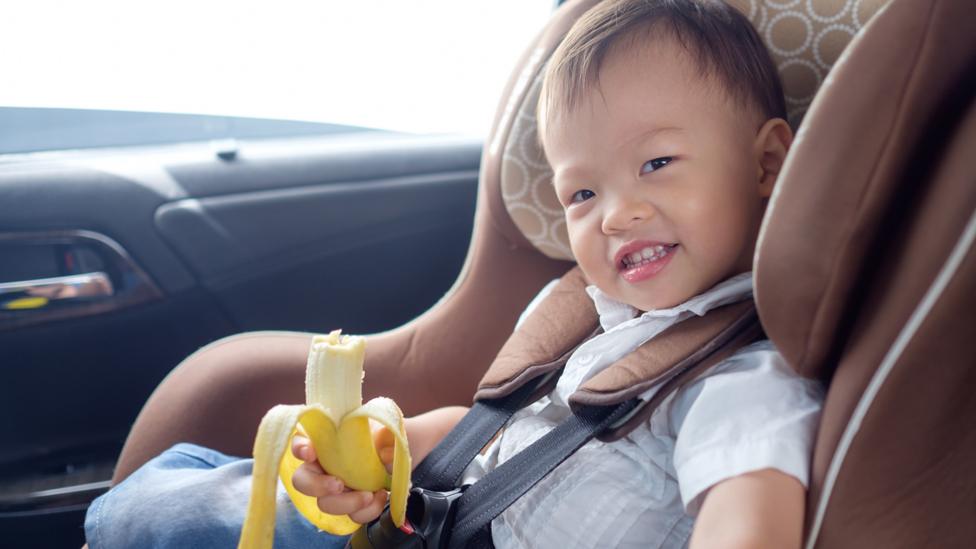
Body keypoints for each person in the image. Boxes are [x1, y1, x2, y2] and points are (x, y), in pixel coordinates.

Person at [83, 1, 822, 547]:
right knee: (165, 498)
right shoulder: (587, 314)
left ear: (765, 164)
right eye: (582, 193)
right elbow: (490, 437)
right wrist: (386, 451)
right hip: (418, 517)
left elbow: (747, 519)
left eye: (656, 164)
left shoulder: (742, 382)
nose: (616, 214)